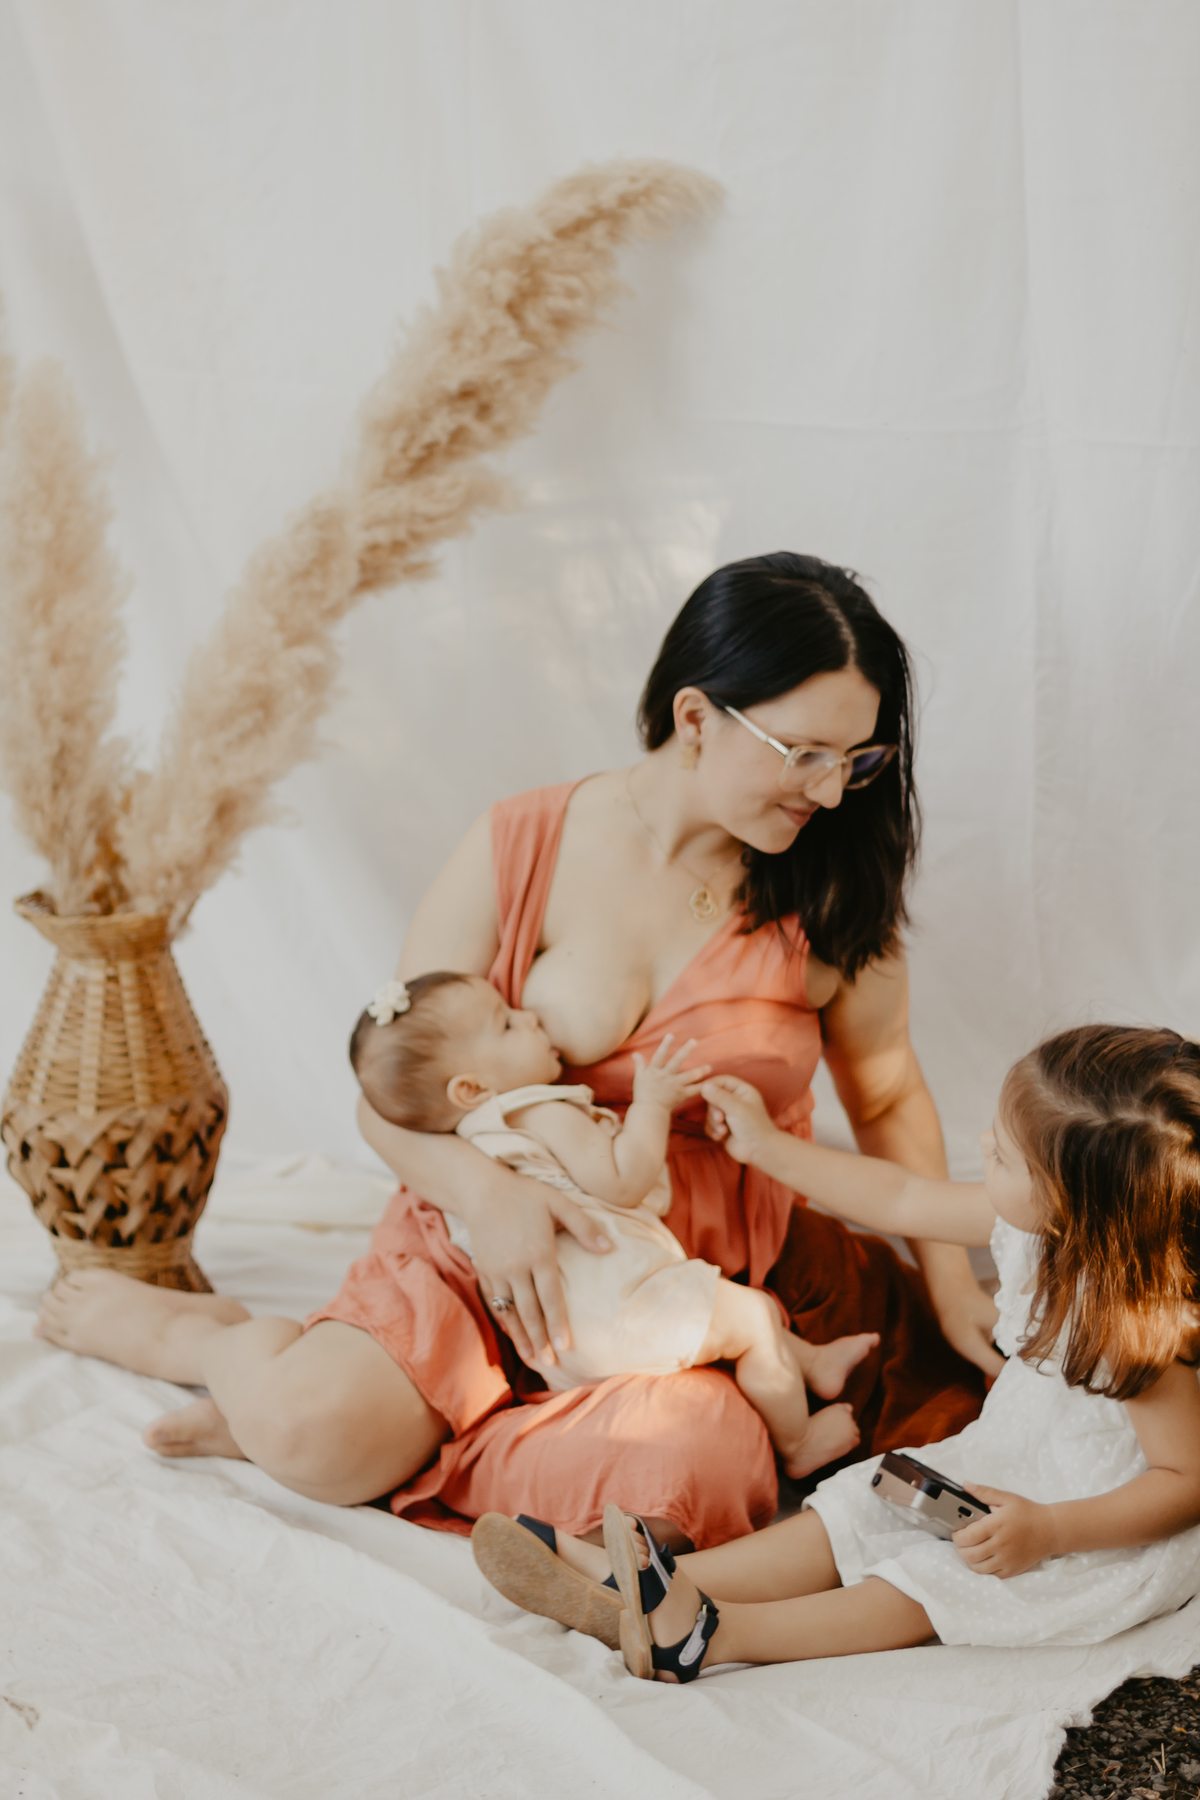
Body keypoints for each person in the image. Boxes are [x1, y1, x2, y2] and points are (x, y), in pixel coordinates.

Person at [34, 552, 994, 1557]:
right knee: (313, 1429)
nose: (832, 793)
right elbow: (389, 1091)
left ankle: (425, 1448)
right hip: (480, 1244)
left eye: (856, 760)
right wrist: (491, 1203)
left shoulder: (836, 899)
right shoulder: (524, 841)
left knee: (692, 1481)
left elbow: (887, 1097)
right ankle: (218, 1344)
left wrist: (951, 1283)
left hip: (666, 1292)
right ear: (696, 717)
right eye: (804, 753)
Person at [477, 1025, 1200, 1680]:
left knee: (934, 1580)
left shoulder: (1138, 1330)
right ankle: (642, 1582)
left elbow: (1186, 1481)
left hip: (1100, 1529)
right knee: (859, 1504)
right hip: (1011, 1470)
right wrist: (765, 1147)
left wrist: (1049, 1531)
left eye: (1004, 1154)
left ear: (1071, 1204)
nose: (982, 1144)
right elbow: (902, 1196)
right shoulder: (1040, 1227)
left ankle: (709, 1635)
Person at [350, 972, 878, 1476]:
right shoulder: (540, 1113)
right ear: (470, 1089)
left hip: (574, 1340)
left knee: (742, 1313)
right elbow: (623, 1181)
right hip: (626, 1307)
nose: (530, 1016)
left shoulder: (478, 1143)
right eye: (507, 1023)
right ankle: (799, 1443)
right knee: (755, 1320)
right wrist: (653, 1105)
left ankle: (812, 1363)